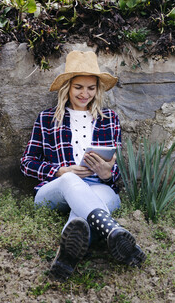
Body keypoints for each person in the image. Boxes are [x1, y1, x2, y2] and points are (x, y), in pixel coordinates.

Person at [20, 51, 146, 281]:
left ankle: (65, 260)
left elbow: (113, 170)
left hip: (99, 187)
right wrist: (59, 171)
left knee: (80, 219)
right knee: (71, 180)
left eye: (90, 88)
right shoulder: (47, 119)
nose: (84, 93)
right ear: (67, 87)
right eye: (78, 87)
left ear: (98, 89)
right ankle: (112, 232)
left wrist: (107, 172)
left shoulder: (109, 119)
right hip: (56, 189)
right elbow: (27, 163)